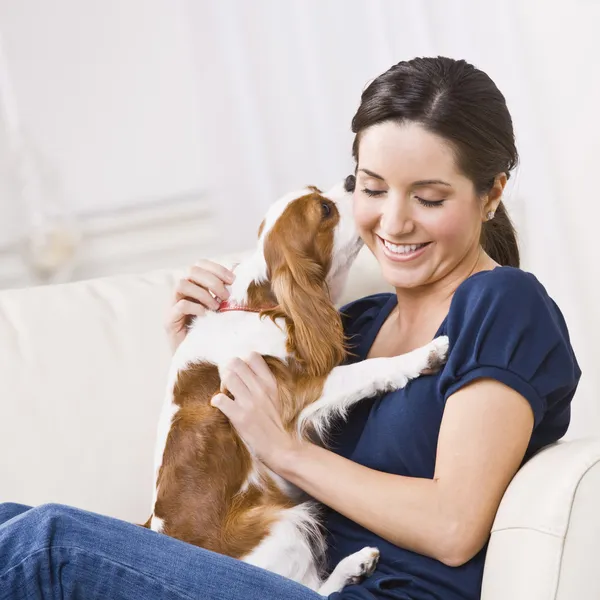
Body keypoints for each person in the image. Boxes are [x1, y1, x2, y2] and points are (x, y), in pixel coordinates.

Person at [0, 57, 580, 600]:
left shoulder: (501, 303)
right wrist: (205, 351)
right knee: (10, 520)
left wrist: (285, 450)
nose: (393, 221)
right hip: (284, 577)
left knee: (44, 543)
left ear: (492, 194)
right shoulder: (356, 323)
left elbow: (454, 526)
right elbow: (238, 471)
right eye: (372, 189)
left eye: (427, 198)